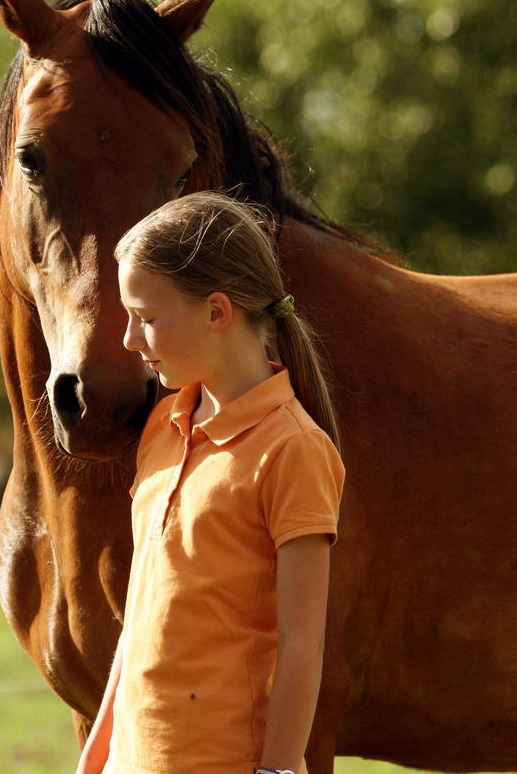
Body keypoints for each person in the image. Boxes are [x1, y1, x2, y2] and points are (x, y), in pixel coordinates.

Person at [77, 191, 345, 774]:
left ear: (217, 312)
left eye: (146, 318)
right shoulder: (163, 427)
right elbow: (142, 616)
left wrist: (276, 771)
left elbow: (303, 648)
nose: (129, 339)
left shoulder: (293, 450)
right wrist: (96, 757)